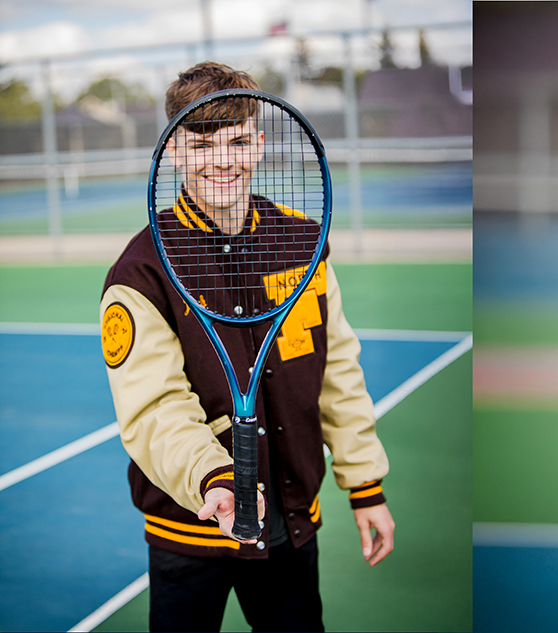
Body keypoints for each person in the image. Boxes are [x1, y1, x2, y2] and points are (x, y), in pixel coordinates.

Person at [100, 61, 394, 631]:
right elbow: (155, 408)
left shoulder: (304, 242)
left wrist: (365, 486)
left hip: (289, 524)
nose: (222, 160)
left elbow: (338, 375)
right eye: (201, 142)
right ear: (175, 151)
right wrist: (216, 477)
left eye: (237, 140)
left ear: (258, 143)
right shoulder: (139, 271)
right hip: (190, 530)